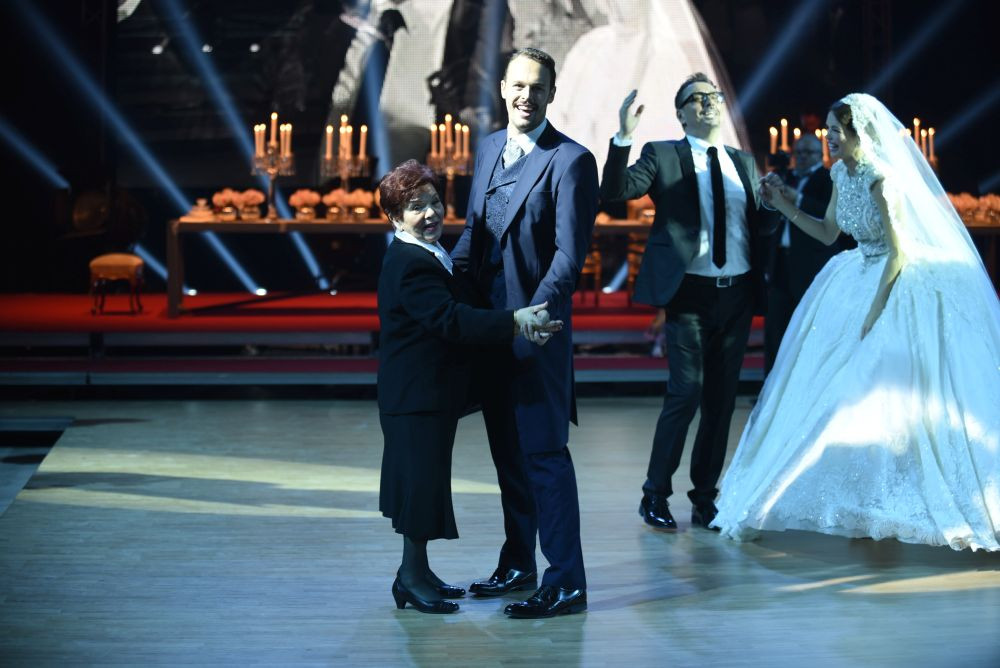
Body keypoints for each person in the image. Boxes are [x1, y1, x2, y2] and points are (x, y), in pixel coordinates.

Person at [711, 94, 1000, 552]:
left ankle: (896, 495)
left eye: (834, 130)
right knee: (829, 388)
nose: (828, 137)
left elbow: (899, 253)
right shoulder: (839, 173)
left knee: (879, 390)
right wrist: (784, 205)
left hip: (895, 277)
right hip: (855, 272)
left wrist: (875, 310)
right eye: (827, 129)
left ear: (857, 133)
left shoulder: (882, 181)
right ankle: (853, 498)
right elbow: (829, 233)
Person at [376, 160, 562, 614]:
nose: (430, 213)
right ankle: (410, 578)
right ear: (395, 217)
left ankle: (417, 573)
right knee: (419, 487)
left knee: (425, 483)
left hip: (428, 394)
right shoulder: (409, 262)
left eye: (434, 202)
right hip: (415, 395)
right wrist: (515, 321)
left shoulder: (428, 252)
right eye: (416, 207)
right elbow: (451, 320)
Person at [451, 47, 598, 618]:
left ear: (552, 94)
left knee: (544, 456)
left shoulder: (571, 160)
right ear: (503, 88)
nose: (526, 96)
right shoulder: (488, 147)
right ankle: (519, 564)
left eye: (537, 87)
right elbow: (474, 235)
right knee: (508, 456)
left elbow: (568, 256)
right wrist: (439, 281)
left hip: (536, 330)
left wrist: (534, 316)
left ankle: (567, 582)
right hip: (489, 328)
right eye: (517, 85)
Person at [600, 73, 777, 532]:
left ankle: (704, 499)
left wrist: (775, 206)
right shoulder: (662, 155)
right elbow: (616, 192)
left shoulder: (743, 162)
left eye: (713, 96)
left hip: (736, 294)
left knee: (721, 402)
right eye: (695, 99)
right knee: (685, 393)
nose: (707, 103)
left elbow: (759, 227)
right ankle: (654, 494)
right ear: (681, 114)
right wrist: (623, 137)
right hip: (689, 294)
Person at [763, 134, 840, 375]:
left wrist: (798, 198)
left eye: (809, 152)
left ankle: (806, 380)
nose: (803, 157)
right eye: (799, 153)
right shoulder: (786, 177)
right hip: (780, 263)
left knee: (809, 328)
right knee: (776, 329)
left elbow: (830, 216)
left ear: (820, 155)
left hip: (812, 266)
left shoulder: (829, 178)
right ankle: (772, 384)